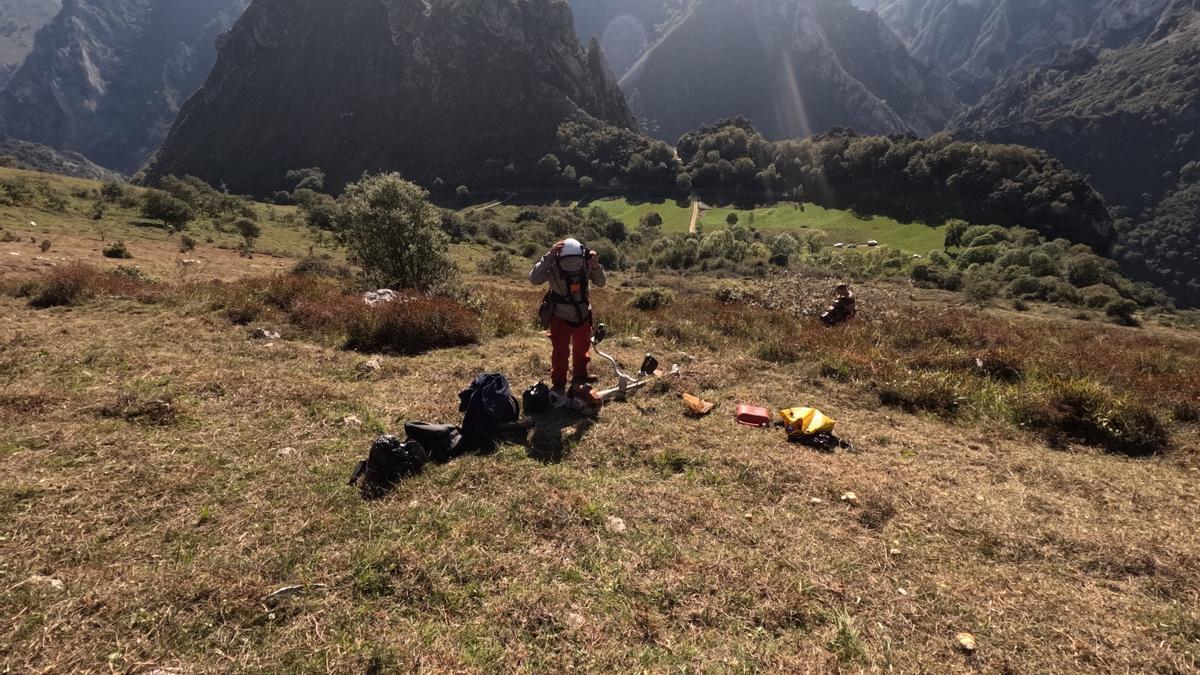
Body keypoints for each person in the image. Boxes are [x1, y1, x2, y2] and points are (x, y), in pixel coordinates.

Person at [529, 238, 607, 393]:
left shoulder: (554, 263)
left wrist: (595, 266)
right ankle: (567, 379)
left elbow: (534, 279)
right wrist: (595, 266)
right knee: (572, 350)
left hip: (568, 315)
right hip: (577, 314)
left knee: (563, 351)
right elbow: (602, 283)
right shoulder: (580, 262)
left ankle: (563, 382)